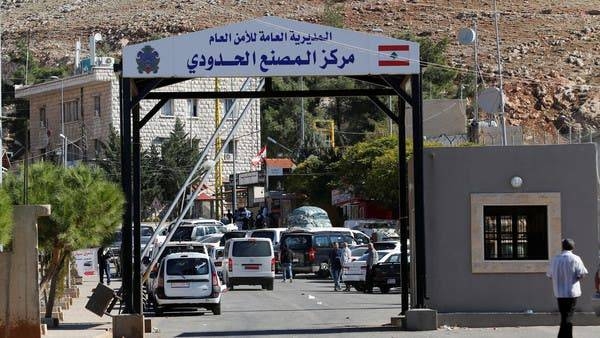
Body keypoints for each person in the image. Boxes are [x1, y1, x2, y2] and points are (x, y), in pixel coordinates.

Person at [547, 238, 588, 338]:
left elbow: (549, 275)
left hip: (559, 292)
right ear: (572, 247)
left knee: (564, 315)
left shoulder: (555, 259)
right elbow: (582, 273)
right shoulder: (576, 258)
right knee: (568, 316)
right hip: (571, 292)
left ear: (563, 247)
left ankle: (562, 336)